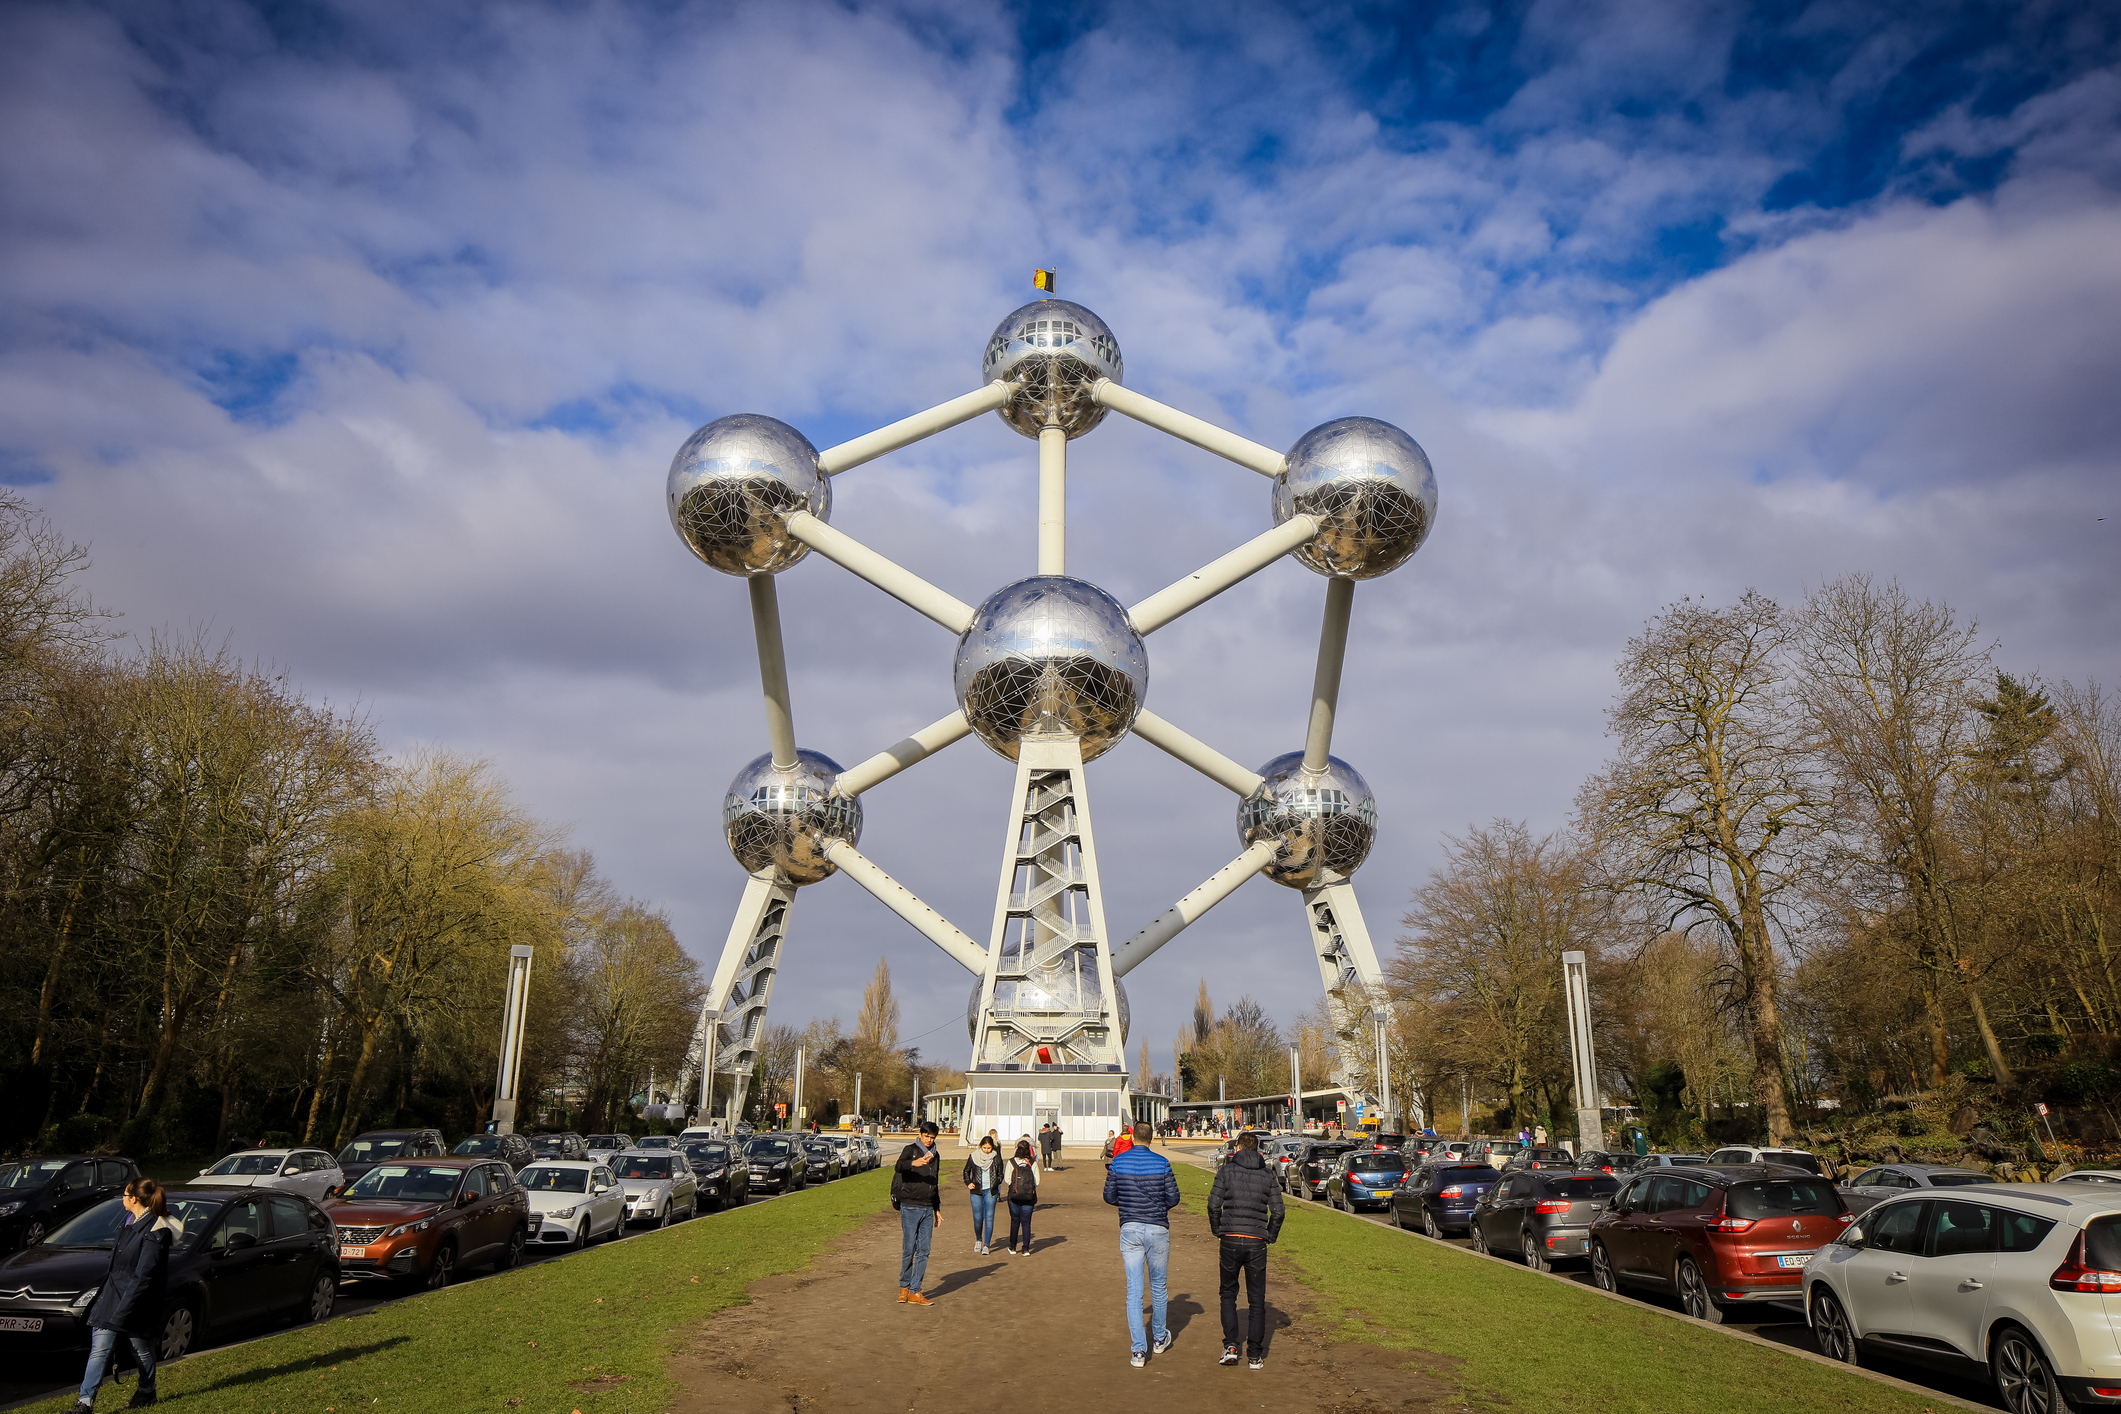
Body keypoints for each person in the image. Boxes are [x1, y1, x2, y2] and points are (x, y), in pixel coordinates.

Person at [73, 1178, 180, 1412]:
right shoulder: (128, 1221)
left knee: (139, 1348)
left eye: (124, 1194)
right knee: (100, 1349)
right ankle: (85, 1403)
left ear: (133, 1198)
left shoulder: (155, 1230)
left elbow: (144, 1276)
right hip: (113, 1296)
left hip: (137, 1301)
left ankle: (146, 1391)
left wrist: (125, 1309)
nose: (122, 1198)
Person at [1103, 1122, 1180, 1368]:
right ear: (1152, 1138)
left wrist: (1128, 1205)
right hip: (1157, 1227)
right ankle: (1158, 1338)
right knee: (1158, 1287)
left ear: (1133, 1136)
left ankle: (1138, 1350)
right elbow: (1174, 1198)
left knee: (1134, 1291)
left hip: (1130, 1227)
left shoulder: (1118, 1161)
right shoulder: (1162, 1163)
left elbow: (1109, 1196)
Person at [1207, 1131, 1284, 1369]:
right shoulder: (1267, 1174)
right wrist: (1269, 1235)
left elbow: (1213, 1205)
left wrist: (1218, 1229)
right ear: (1258, 1150)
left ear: (1238, 1148)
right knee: (1256, 1299)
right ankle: (1254, 1354)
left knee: (1228, 1293)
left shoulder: (1226, 1171)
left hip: (1230, 1238)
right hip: (1256, 1241)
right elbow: (1279, 1211)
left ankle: (1230, 1346)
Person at [891, 1120, 943, 1305]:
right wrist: (914, 1163)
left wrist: (937, 1209)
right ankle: (903, 1287)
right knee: (908, 1249)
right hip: (910, 1206)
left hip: (928, 1207)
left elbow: (934, 1183)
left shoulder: (935, 1156)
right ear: (920, 1134)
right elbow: (899, 1166)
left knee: (924, 1250)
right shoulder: (910, 1150)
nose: (929, 1140)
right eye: (926, 1136)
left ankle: (915, 1290)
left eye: (932, 1137)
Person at [963, 1135, 1003, 1255]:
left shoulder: (996, 1158)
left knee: (989, 1217)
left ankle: (986, 1244)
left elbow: (1000, 1174)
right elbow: (966, 1171)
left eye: (989, 1148)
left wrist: (995, 1184)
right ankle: (978, 1239)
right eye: (984, 1148)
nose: (986, 1150)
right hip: (977, 1191)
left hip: (991, 1191)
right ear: (981, 1146)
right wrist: (968, 1182)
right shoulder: (974, 1156)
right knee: (978, 1218)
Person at [1004, 1138, 1040, 1255]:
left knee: (1015, 1221)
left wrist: (1016, 1186)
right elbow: (1037, 1182)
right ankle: (1026, 1249)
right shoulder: (1032, 1163)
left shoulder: (1011, 1162)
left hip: (1014, 1196)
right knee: (1026, 1222)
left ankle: (1013, 1247)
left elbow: (1007, 1179)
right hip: (1028, 1197)